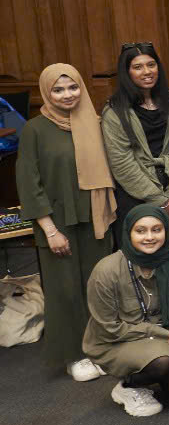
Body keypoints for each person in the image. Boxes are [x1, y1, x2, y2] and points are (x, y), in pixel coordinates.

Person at [17, 63, 117, 381]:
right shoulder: (35, 129)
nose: (67, 95)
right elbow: (29, 183)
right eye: (58, 90)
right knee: (65, 289)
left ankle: (100, 347)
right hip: (56, 221)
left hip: (95, 216)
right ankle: (74, 354)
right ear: (47, 93)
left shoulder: (94, 123)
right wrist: (49, 230)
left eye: (73, 87)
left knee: (97, 284)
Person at [82, 206, 169, 416]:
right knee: (162, 361)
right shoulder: (106, 270)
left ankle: (158, 368)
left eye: (156, 230)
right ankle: (128, 386)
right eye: (140, 231)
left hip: (164, 342)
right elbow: (108, 328)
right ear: (128, 233)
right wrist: (161, 334)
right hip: (116, 341)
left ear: (166, 230)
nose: (149, 237)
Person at [100, 42, 169, 224]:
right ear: (126, 72)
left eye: (151, 64)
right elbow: (122, 163)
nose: (147, 72)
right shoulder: (115, 112)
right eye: (138, 67)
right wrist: (161, 200)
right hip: (136, 197)